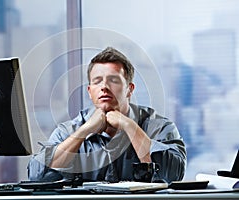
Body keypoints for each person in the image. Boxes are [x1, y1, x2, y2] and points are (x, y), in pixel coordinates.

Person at [28, 47, 186, 183]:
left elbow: (173, 175)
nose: (104, 87)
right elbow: (37, 177)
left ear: (129, 89)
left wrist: (130, 127)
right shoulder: (69, 131)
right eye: (97, 81)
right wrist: (85, 130)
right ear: (90, 92)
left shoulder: (160, 127)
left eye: (113, 80)